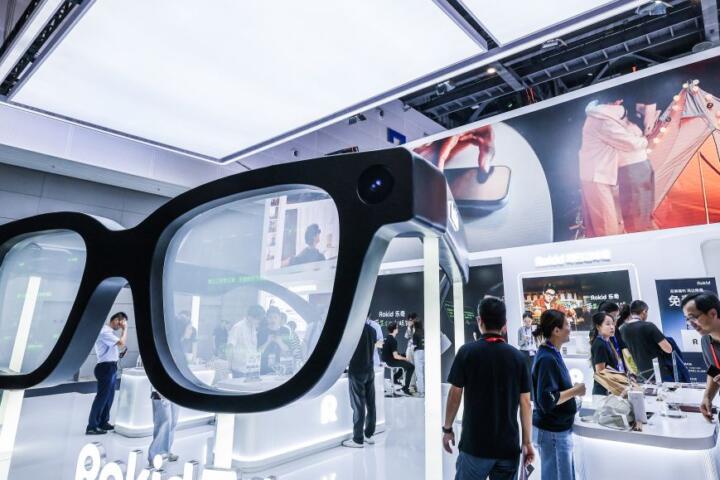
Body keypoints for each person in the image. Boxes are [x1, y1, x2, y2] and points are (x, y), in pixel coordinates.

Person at [443, 298, 534, 480]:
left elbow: (455, 394)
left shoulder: (466, 352)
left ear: (480, 321)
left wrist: (447, 429)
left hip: (474, 445)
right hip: (508, 448)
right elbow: (526, 403)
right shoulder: (518, 358)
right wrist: (527, 442)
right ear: (505, 325)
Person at [578, 98, 648, 237]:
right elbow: (630, 143)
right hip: (596, 176)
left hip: (603, 175)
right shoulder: (603, 120)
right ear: (618, 102)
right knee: (607, 224)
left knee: (614, 220)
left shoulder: (600, 117)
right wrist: (645, 139)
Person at [532, 309, 586, 480]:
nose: (570, 328)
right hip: (552, 432)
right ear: (556, 330)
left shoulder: (552, 353)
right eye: (567, 325)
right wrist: (575, 391)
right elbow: (547, 400)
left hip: (557, 430)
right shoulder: (547, 358)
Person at [86, 312, 128, 435]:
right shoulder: (105, 332)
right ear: (115, 320)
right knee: (102, 397)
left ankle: (103, 422)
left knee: (109, 397)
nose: (121, 325)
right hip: (105, 368)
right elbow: (121, 343)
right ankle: (92, 426)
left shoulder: (109, 334)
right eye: (121, 322)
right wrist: (125, 329)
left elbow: (115, 349)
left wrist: (118, 355)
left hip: (111, 367)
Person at [681, 292, 720, 421]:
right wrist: (707, 397)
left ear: (713, 313)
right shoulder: (705, 340)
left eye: (693, 318)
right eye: (687, 319)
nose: (691, 324)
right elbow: (714, 370)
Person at [342, 319, 380, 448]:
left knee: (358, 405)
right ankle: (369, 435)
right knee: (371, 404)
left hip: (357, 370)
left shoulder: (351, 331)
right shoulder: (372, 330)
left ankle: (358, 439)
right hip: (369, 369)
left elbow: (346, 351)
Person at [619, 300, 673, 382]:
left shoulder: (622, 329)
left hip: (640, 375)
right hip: (660, 373)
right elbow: (668, 349)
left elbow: (626, 354)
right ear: (644, 311)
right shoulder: (649, 326)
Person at [589, 311, 626, 396]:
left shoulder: (607, 342)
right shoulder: (600, 345)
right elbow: (601, 373)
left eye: (613, 324)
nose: (612, 327)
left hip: (610, 391)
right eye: (608, 324)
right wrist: (621, 388)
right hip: (604, 393)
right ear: (598, 327)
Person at [227, 305, 265, 378]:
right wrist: (229, 366)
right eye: (257, 318)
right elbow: (230, 347)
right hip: (240, 368)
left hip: (252, 367)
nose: (258, 321)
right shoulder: (238, 327)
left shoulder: (253, 327)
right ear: (249, 316)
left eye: (259, 319)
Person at [147, 389, 180, 465]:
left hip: (176, 392)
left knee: (172, 423)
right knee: (163, 424)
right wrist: (160, 391)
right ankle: (153, 456)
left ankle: (167, 452)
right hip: (161, 391)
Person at [382, 322, 415, 396]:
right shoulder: (393, 340)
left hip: (386, 360)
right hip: (391, 361)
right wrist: (405, 358)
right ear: (394, 330)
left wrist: (402, 356)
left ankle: (395, 378)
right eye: (397, 328)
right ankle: (405, 389)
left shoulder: (386, 338)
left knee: (404, 360)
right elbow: (395, 356)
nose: (398, 329)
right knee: (411, 367)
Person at [258, 306, 291, 374]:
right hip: (264, 368)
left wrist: (280, 342)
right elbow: (258, 352)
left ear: (280, 318)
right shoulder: (261, 331)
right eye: (270, 317)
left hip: (281, 367)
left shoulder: (285, 331)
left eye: (275, 317)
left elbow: (287, 350)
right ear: (267, 318)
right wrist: (267, 342)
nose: (273, 320)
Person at [412, 320, 425, 397]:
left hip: (418, 353)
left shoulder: (415, 333)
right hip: (426, 352)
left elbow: (414, 345)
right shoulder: (424, 332)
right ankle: (427, 389)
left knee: (419, 373)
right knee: (425, 372)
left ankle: (421, 392)